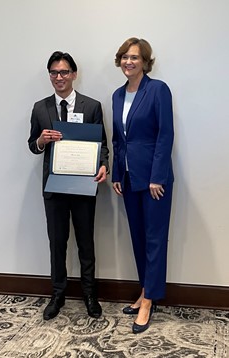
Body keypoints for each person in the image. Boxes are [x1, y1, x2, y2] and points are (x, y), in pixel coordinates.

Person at [28, 51, 109, 320]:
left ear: (74, 74)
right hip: (54, 187)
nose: (58, 77)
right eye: (53, 73)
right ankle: (58, 294)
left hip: (84, 186)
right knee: (57, 243)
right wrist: (41, 140)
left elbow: (103, 146)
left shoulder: (92, 106)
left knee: (86, 242)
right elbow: (32, 146)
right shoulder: (40, 108)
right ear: (49, 76)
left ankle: (89, 293)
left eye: (63, 72)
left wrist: (103, 165)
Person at [112, 37, 174, 333]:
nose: (128, 61)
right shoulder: (116, 95)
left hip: (153, 180)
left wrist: (157, 176)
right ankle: (144, 290)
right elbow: (117, 139)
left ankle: (149, 300)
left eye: (134, 57)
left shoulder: (158, 90)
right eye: (124, 56)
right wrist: (115, 174)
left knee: (154, 238)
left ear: (145, 62)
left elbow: (165, 135)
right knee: (137, 237)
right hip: (127, 178)